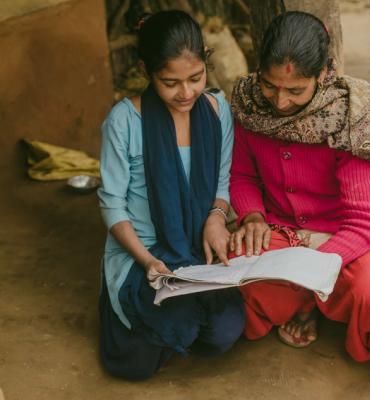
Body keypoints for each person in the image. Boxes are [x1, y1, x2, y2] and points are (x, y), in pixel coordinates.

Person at [229, 11, 370, 400]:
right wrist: (252, 216)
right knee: (232, 273)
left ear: (322, 75)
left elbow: (364, 223)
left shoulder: (352, 120)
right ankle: (308, 301)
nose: (280, 102)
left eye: (296, 90)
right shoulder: (249, 107)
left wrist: (315, 257)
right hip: (281, 233)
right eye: (271, 86)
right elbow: (243, 177)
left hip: (344, 239)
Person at [97, 10, 244, 380]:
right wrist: (147, 261)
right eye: (170, 82)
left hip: (197, 247)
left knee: (224, 333)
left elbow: (221, 183)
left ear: (206, 59)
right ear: (147, 71)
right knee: (141, 358)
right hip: (145, 253)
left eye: (196, 78)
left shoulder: (216, 110)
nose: (186, 93)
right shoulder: (124, 121)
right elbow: (113, 206)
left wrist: (214, 215)